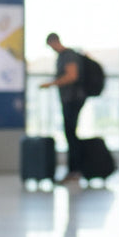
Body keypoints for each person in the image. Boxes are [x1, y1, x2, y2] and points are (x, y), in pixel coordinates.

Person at [40, 33, 85, 183]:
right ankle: (74, 170)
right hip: (68, 99)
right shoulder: (62, 56)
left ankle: (74, 170)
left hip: (73, 99)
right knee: (70, 134)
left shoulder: (68, 55)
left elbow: (72, 76)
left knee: (71, 134)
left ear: (54, 42)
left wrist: (51, 84)